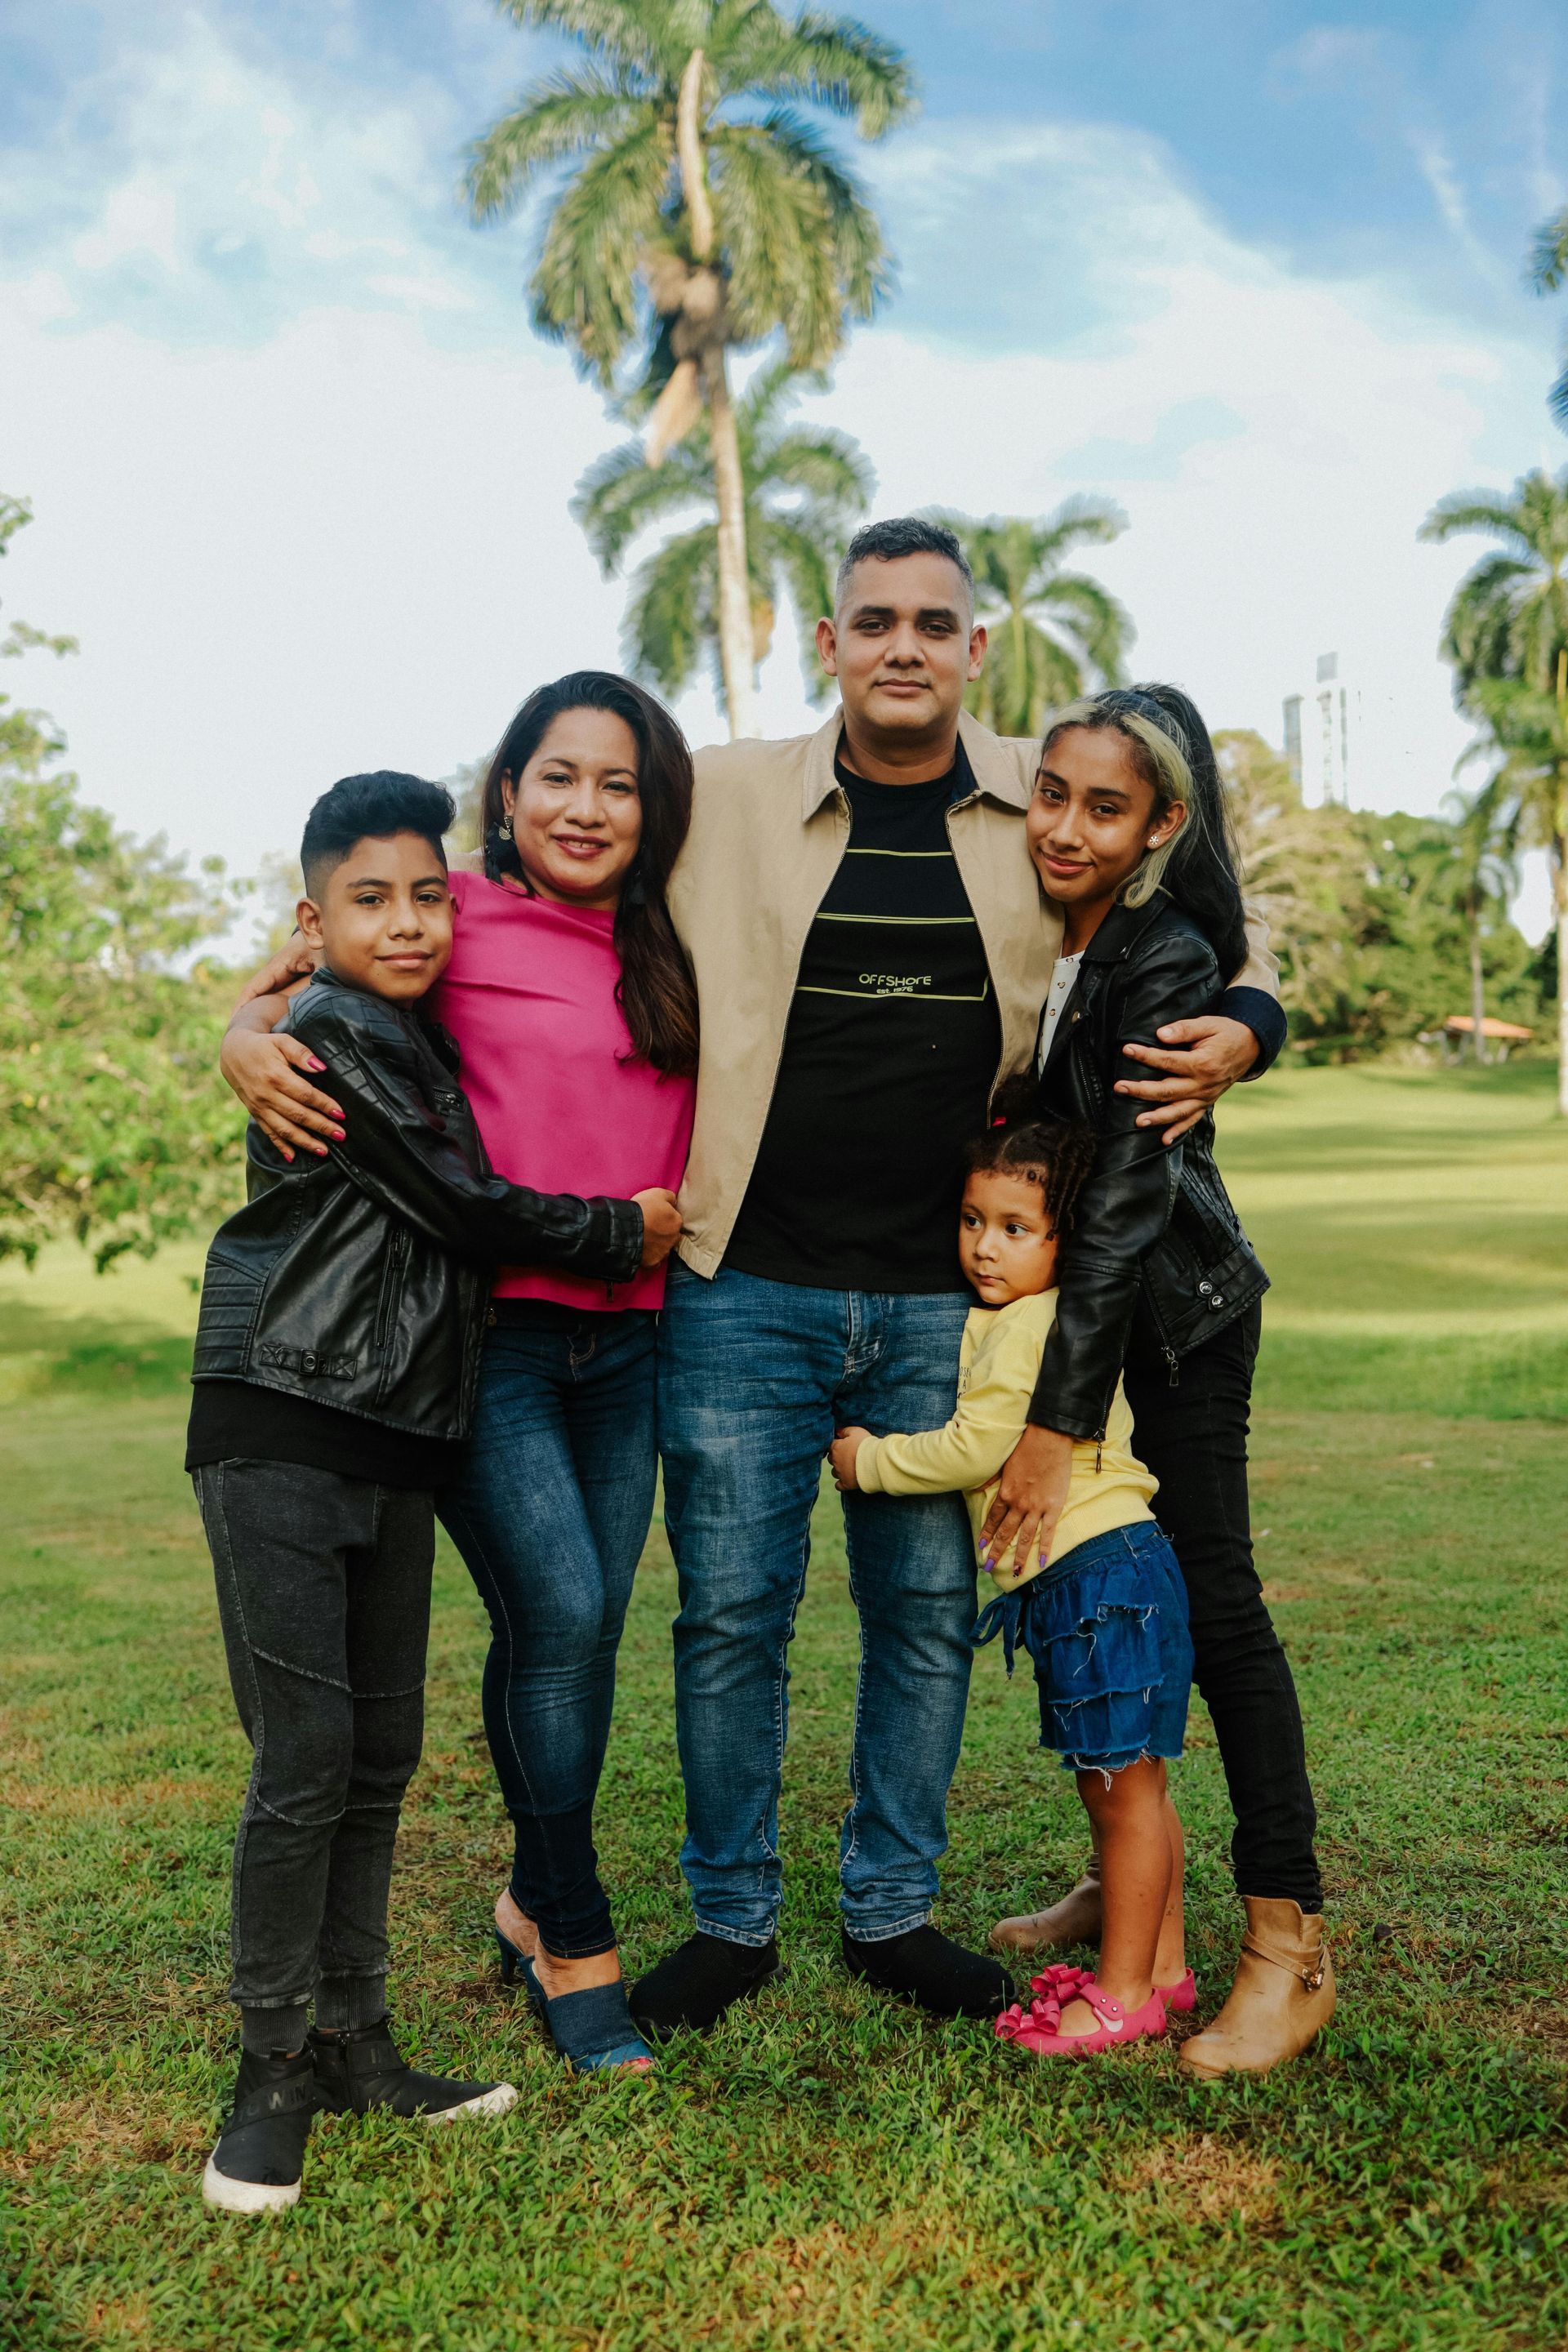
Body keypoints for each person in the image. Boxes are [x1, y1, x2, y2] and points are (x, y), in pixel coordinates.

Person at [630, 518, 1285, 2039]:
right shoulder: (721, 795)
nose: (904, 646)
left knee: (926, 1615)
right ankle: (730, 1918)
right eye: (875, 621)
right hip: (742, 1282)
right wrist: (283, 990)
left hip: (951, 1297)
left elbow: (1174, 924)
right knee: (732, 1611)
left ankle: (889, 1912)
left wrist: (1258, 1011)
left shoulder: (1038, 810)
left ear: (974, 648)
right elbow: (544, 851)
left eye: (936, 621)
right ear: (830, 641)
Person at [189, 769, 671, 2212]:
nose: (403, 923)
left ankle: (358, 2044)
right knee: (305, 1763)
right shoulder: (332, 1032)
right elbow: (463, 1201)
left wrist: (243, 1008)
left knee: (381, 1756)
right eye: (365, 899)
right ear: (312, 917)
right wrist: (622, 1229)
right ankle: (272, 2067)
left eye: (423, 896)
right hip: (282, 1420)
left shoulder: (386, 1020)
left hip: (399, 1433)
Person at [985, 684, 1334, 2076]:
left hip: (1174, 1322)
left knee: (1218, 1603)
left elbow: (1128, 1203)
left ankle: (1284, 1945)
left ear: (1162, 825)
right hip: (1088, 1323)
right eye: (1051, 795)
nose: (1065, 827)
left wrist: (1054, 1429)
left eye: (1105, 807)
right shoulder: (1054, 934)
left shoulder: (1167, 954)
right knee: (1091, 1590)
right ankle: (1130, 1886)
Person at [829, 1110, 1195, 2057]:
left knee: (1121, 1791)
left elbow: (978, 1447)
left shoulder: (1030, 1324)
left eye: (1016, 1229)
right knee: (1131, 1788)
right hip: (1109, 1571)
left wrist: (870, 1459)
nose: (985, 1248)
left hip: (1098, 1575)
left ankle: (1123, 1997)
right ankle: (1163, 1967)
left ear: (1068, 1238)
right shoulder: (1031, 1314)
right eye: (971, 1220)